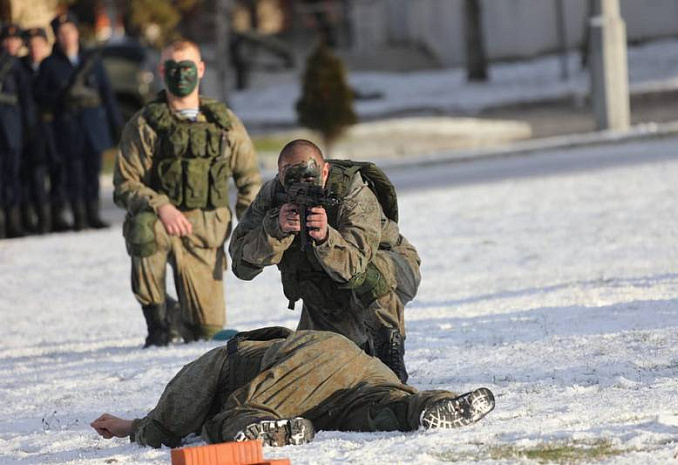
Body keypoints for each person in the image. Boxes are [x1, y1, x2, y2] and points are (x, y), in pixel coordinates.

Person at [91, 328, 495, 448]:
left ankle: (271, 429)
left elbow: (171, 419)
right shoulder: (267, 350)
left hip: (313, 362)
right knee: (381, 408)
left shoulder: (222, 358)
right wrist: (127, 424)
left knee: (235, 415)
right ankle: (433, 406)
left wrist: (137, 429)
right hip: (352, 366)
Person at [229, 139, 420, 382]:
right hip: (324, 287)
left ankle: (389, 353)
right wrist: (275, 230)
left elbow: (357, 266)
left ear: (325, 170)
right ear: (279, 175)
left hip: (391, 273)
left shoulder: (353, 193)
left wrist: (326, 237)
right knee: (312, 366)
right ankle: (360, 347)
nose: (302, 187)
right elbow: (240, 263)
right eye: (292, 180)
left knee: (372, 273)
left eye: (310, 178)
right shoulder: (272, 196)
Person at [113, 39, 261, 347]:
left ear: (201, 69)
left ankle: (175, 314)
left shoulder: (224, 123)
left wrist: (249, 229)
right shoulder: (144, 125)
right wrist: (161, 206)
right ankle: (157, 325)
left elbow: (249, 180)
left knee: (206, 333)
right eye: (173, 67)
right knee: (142, 228)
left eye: (187, 67)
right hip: (162, 224)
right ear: (161, 71)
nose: (181, 75)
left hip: (207, 232)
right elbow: (125, 183)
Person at [34, 12, 121, 231]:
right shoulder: (49, 65)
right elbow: (40, 98)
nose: (67, 37)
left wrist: (116, 125)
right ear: (56, 37)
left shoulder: (92, 60)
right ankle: (79, 217)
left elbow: (107, 93)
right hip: (68, 125)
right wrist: (62, 95)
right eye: (61, 34)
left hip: (93, 123)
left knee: (93, 171)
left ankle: (93, 214)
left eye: (70, 32)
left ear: (76, 32)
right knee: (74, 173)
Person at [18, 27, 56, 234]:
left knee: (58, 174)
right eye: (31, 46)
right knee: (34, 177)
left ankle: (56, 217)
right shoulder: (21, 68)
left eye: (39, 45)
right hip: (31, 130)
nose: (35, 50)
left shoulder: (53, 65)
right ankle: (39, 221)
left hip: (54, 128)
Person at [0, 23, 34, 238]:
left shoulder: (19, 66)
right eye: (7, 39)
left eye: (15, 40)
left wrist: (29, 127)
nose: (11, 43)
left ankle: (13, 222)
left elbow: (26, 100)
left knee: (13, 176)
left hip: (14, 129)